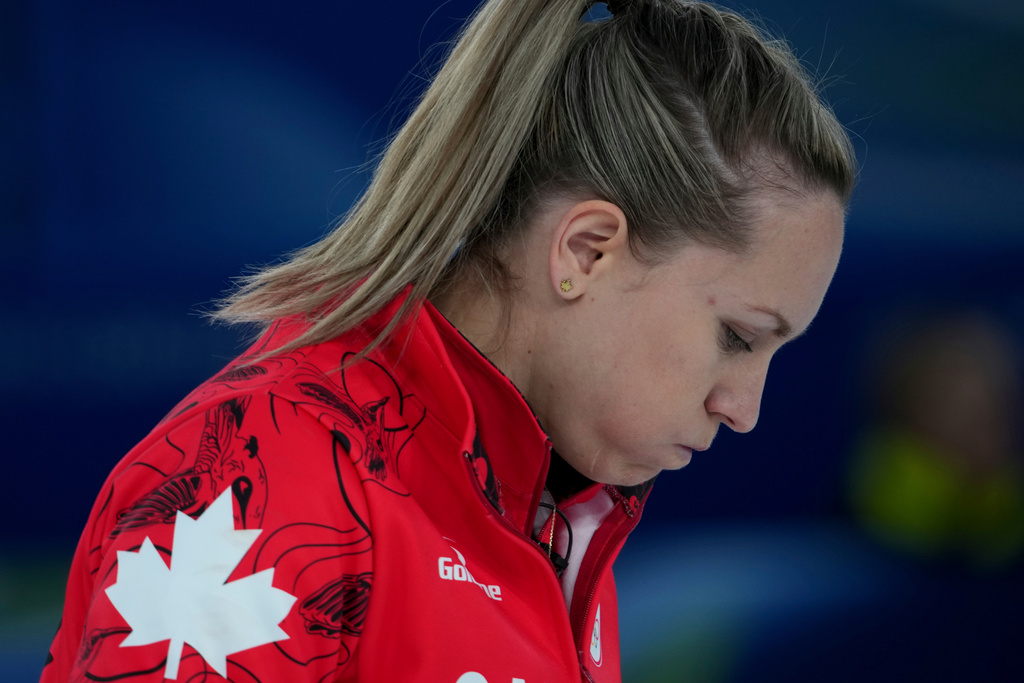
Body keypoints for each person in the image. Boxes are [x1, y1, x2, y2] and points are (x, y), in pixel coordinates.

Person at [42, 0, 855, 681]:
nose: (743, 407)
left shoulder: (554, 516)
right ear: (585, 251)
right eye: (739, 337)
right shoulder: (267, 477)